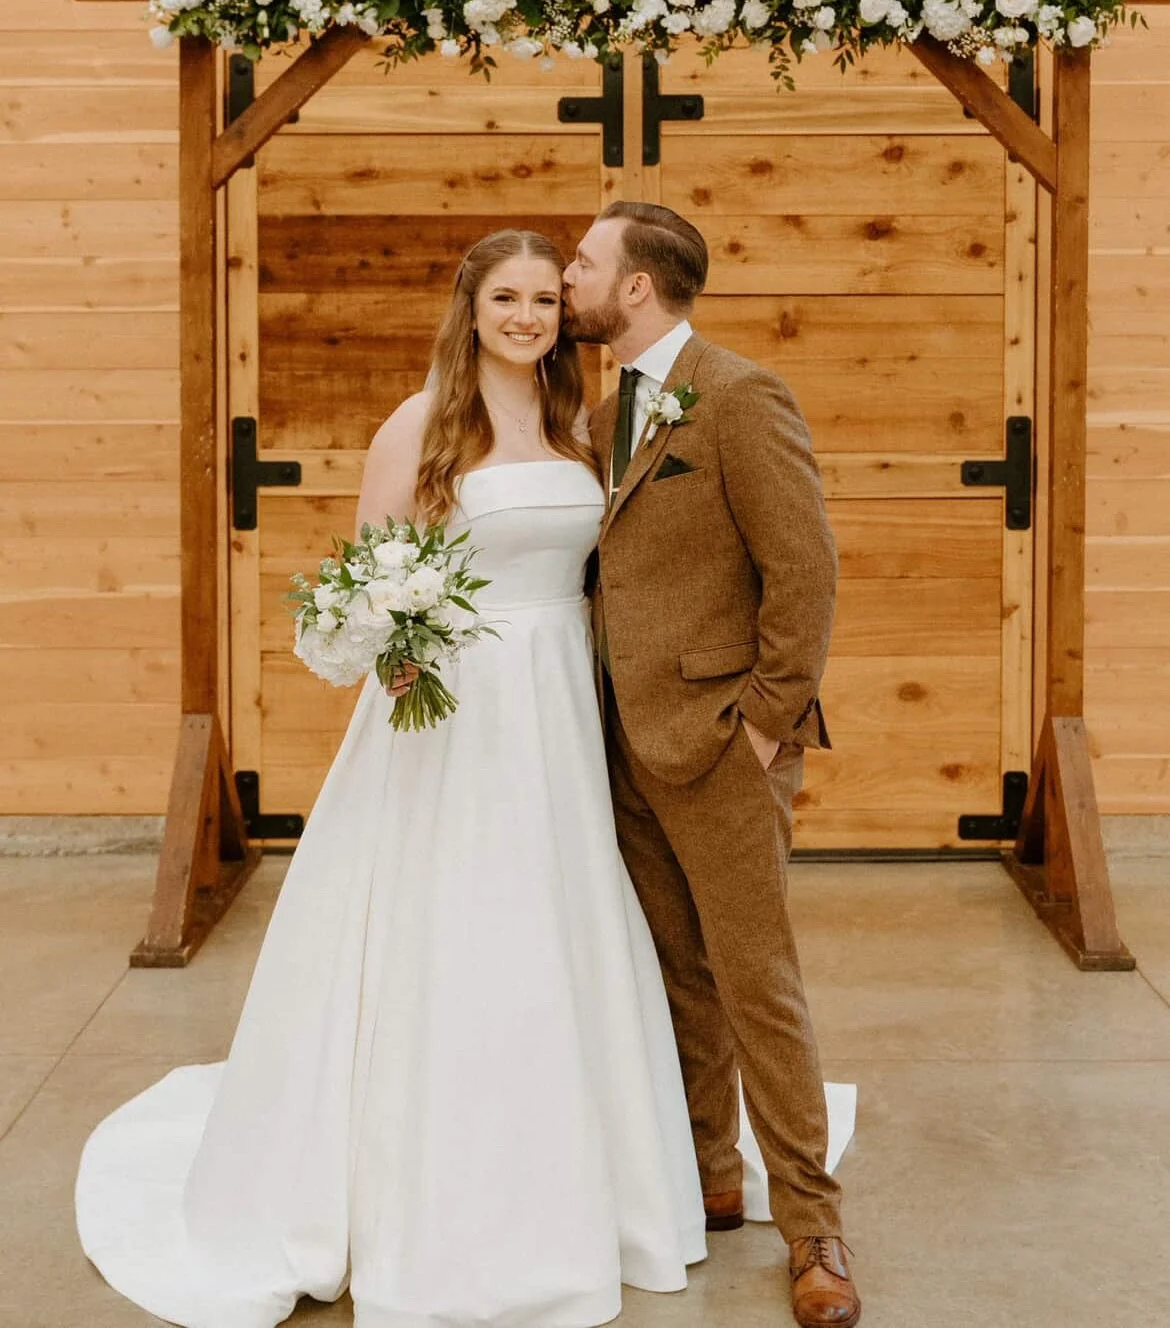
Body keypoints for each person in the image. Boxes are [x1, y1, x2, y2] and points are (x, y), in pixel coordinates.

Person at [75, 229, 708, 1328]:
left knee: (562, 922)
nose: (527, 317)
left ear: (568, 314)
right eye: (505, 298)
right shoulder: (424, 425)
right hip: (457, 709)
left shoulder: (575, 427)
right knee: (456, 925)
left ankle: (578, 1174)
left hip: (559, 703)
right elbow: (374, 572)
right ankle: (427, 1192)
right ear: (470, 311)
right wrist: (395, 638)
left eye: (547, 299)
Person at [562, 202, 862, 1328]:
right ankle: (709, 1177)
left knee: (757, 982)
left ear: (636, 286)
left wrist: (768, 723)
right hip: (623, 742)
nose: (571, 280)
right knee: (679, 976)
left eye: (585, 263)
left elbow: (807, 568)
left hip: (726, 742)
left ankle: (816, 1227)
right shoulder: (605, 414)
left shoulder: (739, 397)